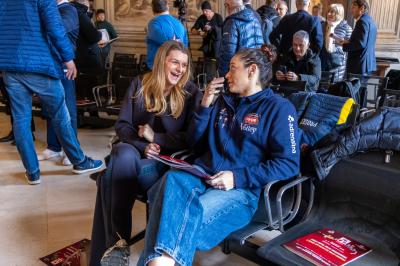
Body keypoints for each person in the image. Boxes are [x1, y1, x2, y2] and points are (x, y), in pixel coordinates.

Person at [138, 48, 300, 266]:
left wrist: (237, 178)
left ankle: (158, 263)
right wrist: (205, 105)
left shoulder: (279, 108)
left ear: (252, 71)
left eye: (233, 68)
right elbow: (194, 142)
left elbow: (288, 164)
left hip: (240, 190)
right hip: (201, 173)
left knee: (176, 218)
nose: (226, 75)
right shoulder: (223, 101)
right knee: (171, 180)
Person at [89, 41, 203, 266]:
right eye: (175, 62)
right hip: (135, 152)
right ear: (162, 61)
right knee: (121, 152)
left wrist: (156, 139)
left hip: (166, 161)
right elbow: (123, 125)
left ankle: (115, 244)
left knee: (109, 178)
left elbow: (192, 138)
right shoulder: (140, 84)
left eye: (184, 65)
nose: (179, 69)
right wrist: (143, 146)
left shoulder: (191, 93)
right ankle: (119, 245)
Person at [0, 0, 103, 185]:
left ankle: (32, 173)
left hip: (10, 66)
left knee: (21, 120)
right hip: (40, 65)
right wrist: (68, 59)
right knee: (60, 114)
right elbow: (55, 29)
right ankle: (79, 161)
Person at [37, 0, 80, 166]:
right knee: (50, 108)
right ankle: (54, 147)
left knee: (68, 111)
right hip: (51, 67)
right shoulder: (53, 9)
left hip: (64, 68)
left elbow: (56, 30)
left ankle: (71, 150)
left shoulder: (68, 10)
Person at [218, 0, 264, 77]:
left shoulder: (232, 22)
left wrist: (223, 75)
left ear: (227, 5)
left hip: (238, 73)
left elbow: (228, 53)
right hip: (254, 71)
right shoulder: (255, 19)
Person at [337, 0, 377, 75]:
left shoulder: (362, 22)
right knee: (362, 87)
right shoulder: (371, 21)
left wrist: (344, 44)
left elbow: (360, 44)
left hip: (359, 65)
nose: (351, 10)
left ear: (361, 8)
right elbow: (363, 41)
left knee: (354, 86)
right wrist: (348, 42)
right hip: (367, 65)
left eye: (354, 7)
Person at [146, 0, 188, 70]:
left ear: (153, 9)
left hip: (158, 67)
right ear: (167, 7)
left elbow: (163, 41)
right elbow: (185, 46)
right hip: (177, 67)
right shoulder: (179, 23)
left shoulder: (153, 23)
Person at [319, 4, 352, 81]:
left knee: (332, 89)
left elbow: (349, 48)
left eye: (332, 12)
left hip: (336, 67)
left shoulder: (346, 28)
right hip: (321, 63)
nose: (329, 14)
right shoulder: (322, 25)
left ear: (339, 14)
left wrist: (336, 50)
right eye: (328, 12)